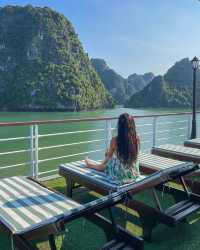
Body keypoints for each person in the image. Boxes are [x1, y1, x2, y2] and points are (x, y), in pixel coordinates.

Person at [85, 113, 140, 185]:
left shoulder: (115, 140)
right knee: (112, 160)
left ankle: (91, 165)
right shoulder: (136, 138)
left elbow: (109, 157)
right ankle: (97, 165)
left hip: (121, 175)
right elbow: (136, 155)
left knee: (107, 162)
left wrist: (103, 162)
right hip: (134, 173)